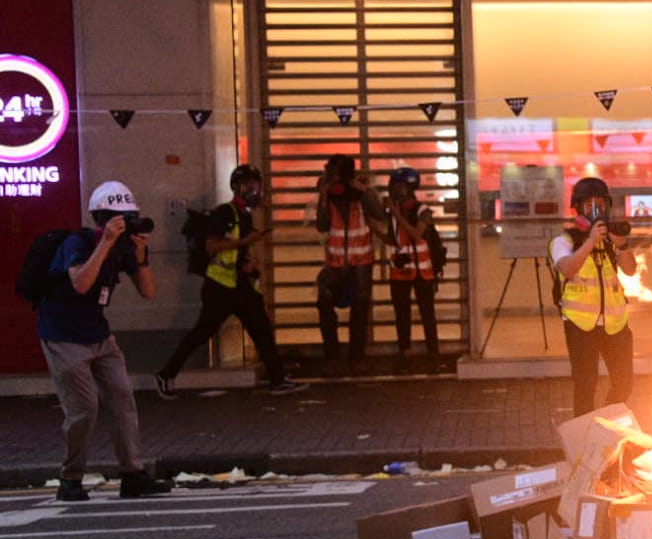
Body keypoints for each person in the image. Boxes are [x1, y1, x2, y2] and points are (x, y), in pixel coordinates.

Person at [36, 181, 172, 501]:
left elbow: (149, 292)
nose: (126, 224)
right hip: (63, 335)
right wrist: (105, 243)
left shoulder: (123, 249)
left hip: (99, 335)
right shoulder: (77, 242)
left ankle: (132, 474)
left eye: (131, 217)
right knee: (85, 409)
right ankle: (70, 478)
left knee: (123, 399)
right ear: (102, 218)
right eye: (119, 218)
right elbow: (82, 283)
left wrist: (139, 255)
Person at [155, 165, 306, 398]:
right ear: (238, 187)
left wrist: (249, 262)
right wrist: (245, 242)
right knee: (202, 332)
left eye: (257, 185)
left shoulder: (244, 215)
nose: (256, 190)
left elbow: (238, 251)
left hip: (239, 285)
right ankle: (166, 374)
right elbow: (212, 245)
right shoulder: (225, 213)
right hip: (221, 287)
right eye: (252, 185)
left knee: (261, 330)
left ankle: (277, 379)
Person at [551, 177, 636, 416]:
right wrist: (590, 241)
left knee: (624, 383)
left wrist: (621, 245)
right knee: (585, 385)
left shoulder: (610, 240)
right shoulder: (564, 240)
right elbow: (567, 267)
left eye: (600, 204)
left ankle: (606, 429)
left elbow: (630, 269)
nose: (596, 210)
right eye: (589, 205)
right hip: (581, 326)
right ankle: (586, 444)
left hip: (615, 324)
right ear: (578, 208)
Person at [309, 153, 388, 371]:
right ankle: (332, 354)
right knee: (324, 302)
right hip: (335, 263)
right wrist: (324, 196)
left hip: (361, 261)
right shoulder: (329, 197)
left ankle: (357, 356)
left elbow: (380, 214)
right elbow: (322, 225)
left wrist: (363, 190)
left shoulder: (361, 195)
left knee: (360, 309)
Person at [384, 166, 440, 370]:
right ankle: (405, 352)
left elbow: (417, 234)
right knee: (402, 314)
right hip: (400, 271)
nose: (395, 190)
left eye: (398, 186)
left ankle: (433, 353)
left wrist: (395, 214)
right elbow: (391, 238)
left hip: (422, 271)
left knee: (427, 313)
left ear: (409, 188)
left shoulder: (421, 210)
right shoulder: (392, 213)